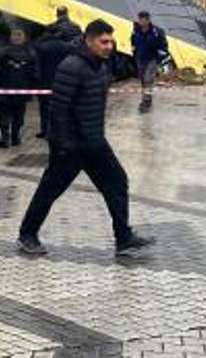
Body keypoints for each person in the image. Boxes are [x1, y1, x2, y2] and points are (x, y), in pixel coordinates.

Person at [17, 19, 155, 258]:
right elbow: (57, 108)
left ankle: (124, 238)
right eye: (103, 41)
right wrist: (61, 144)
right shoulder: (71, 66)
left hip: (95, 143)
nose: (109, 46)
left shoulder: (100, 67)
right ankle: (27, 235)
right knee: (50, 190)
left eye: (111, 41)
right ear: (89, 40)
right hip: (70, 146)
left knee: (117, 182)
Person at [34, 15, 82, 139]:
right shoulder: (66, 47)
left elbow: (36, 66)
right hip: (62, 82)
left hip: (44, 83)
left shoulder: (40, 47)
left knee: (44, 108)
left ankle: (45, 130)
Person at [0, 28, 39, 148]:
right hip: (22, 91)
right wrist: (31, 89)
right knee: (18, 116)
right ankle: (15, 137)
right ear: (23, 38)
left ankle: (4, 138)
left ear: (11, 38)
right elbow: (34, 74)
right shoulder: (30, 54)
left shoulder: (3, 53)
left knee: (4, 115)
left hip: (5, 90)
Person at [130, 10, 168, 112]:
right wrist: (134, 54)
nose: (140, 22)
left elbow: (163, 47)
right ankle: (146, 99)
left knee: (148, 79)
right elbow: (133, 43)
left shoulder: (157, 32)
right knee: (143, 81)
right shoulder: (135, 30)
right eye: (139, 20)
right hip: (140, 59)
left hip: (152, 59)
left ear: (148, 20)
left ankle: (146, 102)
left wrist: (159, 60)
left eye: (142, 20)